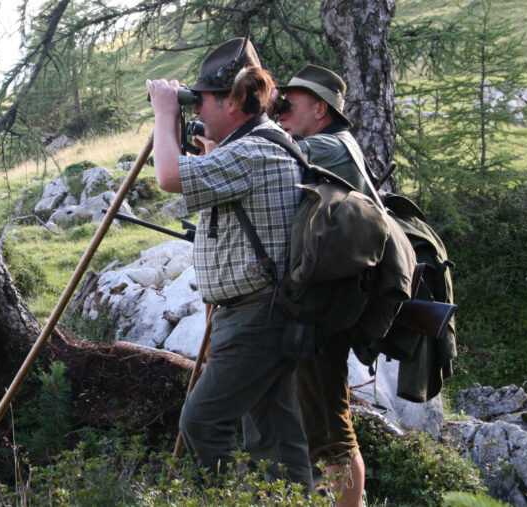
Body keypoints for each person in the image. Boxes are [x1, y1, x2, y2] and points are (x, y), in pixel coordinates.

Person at [146, 37, 313, 487]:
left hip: (257, 315)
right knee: (275, 435)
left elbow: (168, 176)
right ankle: (293, 498)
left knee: (202, 422)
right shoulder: (261, 145)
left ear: (235, 99)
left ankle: (224, 498)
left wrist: (165, 114)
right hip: (268, 311)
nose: (195, 110)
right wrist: (195, 138)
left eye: (201, 100)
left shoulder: (255, 151)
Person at [275, 64, 371, 507]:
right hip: (330, 290)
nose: (279, 113)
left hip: (328, 299)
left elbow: (274, 159)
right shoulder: (328, 143)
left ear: (319, 108)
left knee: (331, 427)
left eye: (287, 104)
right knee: (325, 414)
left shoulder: (330, 146)